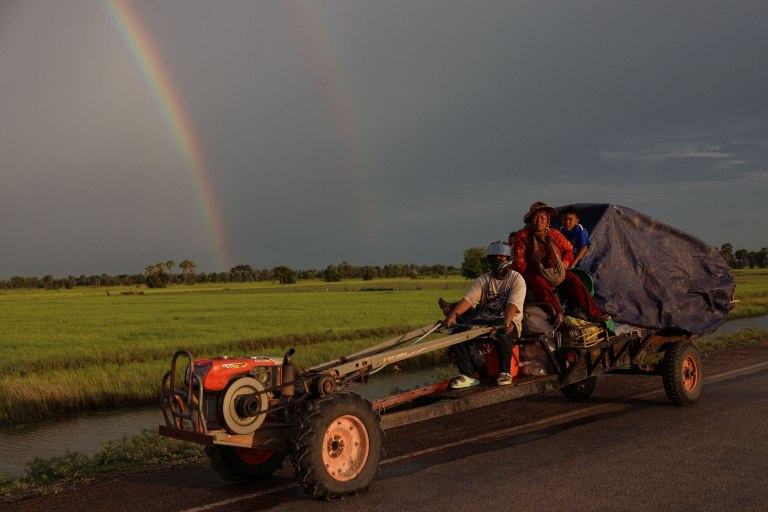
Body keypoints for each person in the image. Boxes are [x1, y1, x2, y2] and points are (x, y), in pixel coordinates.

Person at [441, 241, 526, 388]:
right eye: (493, 257)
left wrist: (507, 322)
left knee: (503, 333)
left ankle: (505, 372)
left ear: (508, 259)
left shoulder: (516, 279)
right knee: (457, 333)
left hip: (509, 321)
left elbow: (513, 305)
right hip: (484, 319)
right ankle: (468, 375)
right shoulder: (484, 279)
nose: (497, 260)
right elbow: (469, 299)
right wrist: (452, 316)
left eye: (501, 257)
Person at [511, 201, 610, 328]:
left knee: (575, 281)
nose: (539, 220)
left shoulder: (554, 234)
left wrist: (564, 263)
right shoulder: (522, 236)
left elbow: (568, 249)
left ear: (547, 220)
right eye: (536, 217)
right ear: (531, 219)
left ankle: (595, 314)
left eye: (542, 217)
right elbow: (519, 261)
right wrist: (525, 279)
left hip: (556, 270)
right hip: (533, 272)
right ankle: (557, 313)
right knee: (540, 284)